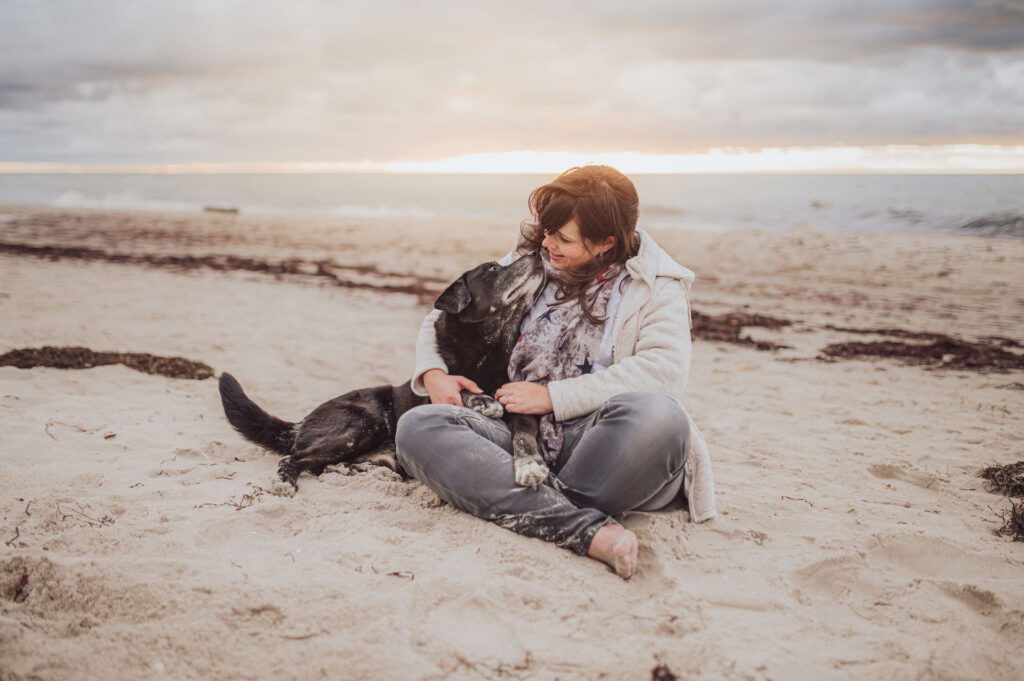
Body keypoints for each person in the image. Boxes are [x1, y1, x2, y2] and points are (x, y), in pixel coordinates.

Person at [395, 165, 716, 579]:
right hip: (517, 435)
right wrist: (434, 373)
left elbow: (663, 372)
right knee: (418, 425)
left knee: (661, 418)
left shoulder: (656, 286)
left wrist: (553, 397)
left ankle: (525, 501)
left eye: (562, 237)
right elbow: (443, 316)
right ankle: (580, 526)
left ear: (606, 243)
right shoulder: (537, 261)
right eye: (546, 231)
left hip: (605, 444)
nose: (547, 244)